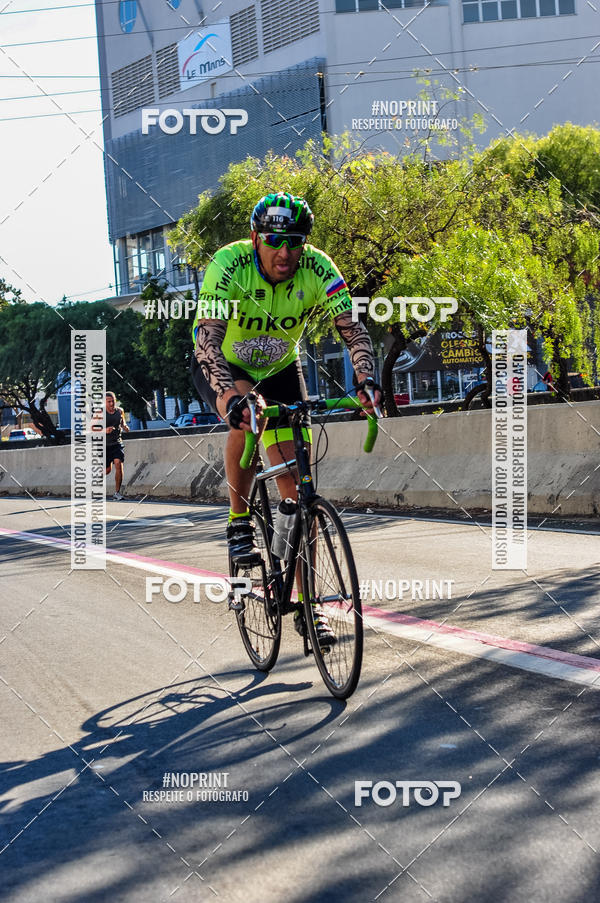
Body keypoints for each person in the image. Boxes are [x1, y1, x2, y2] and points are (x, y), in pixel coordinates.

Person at [191, 191, 381, 643]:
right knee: (246, 417)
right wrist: (230, 398)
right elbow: (207, 340)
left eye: (294, 242)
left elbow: (352, 329)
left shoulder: (319, 268)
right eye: (275, 240)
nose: (285, 252)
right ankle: (239, 520)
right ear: (256, 238)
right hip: (225, 363)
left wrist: (367, 378)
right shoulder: (229, 264)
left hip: (279, 369)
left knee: (298, 494)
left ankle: (308, 606)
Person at [103, 391, 129, 500]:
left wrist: (125, 427)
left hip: (117, 443)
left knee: (118, 464)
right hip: (104, 445)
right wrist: (104, 430)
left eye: (113, 401)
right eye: (109, 401)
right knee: (107, 470)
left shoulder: (120, 411)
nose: (111, 403)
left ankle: (117, 493)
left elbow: (123, 423)